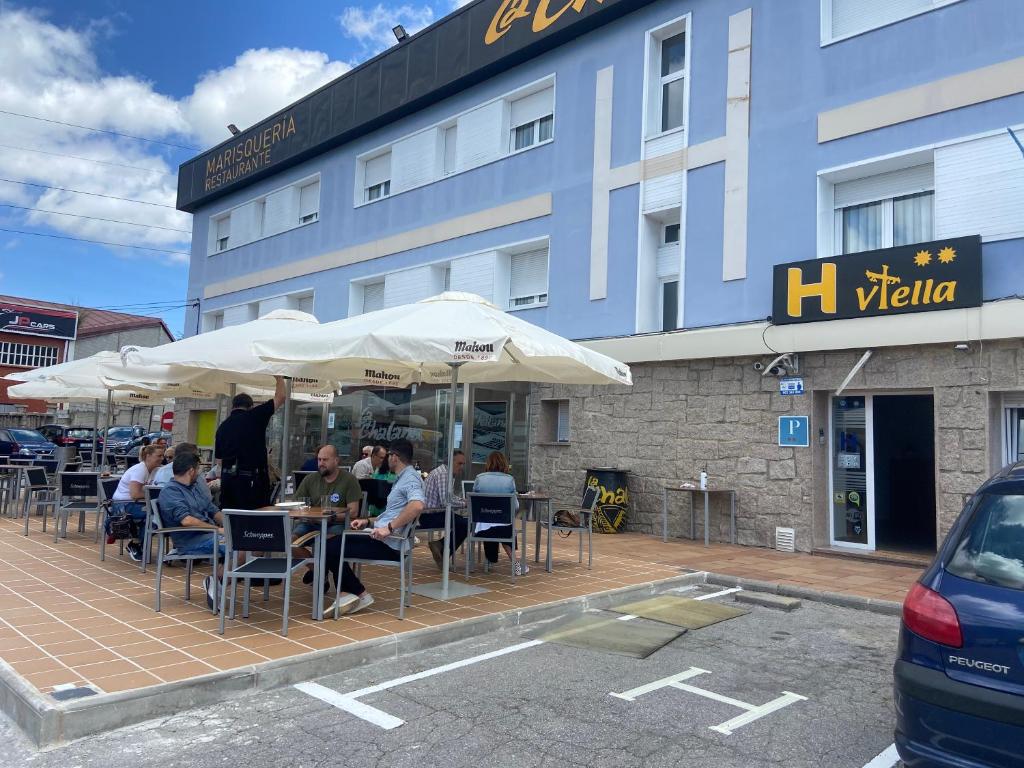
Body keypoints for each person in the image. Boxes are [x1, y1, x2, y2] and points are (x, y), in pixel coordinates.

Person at [325, 438, 424, 616]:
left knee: (327, 546)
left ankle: (359, 593)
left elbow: (417, 505)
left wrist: (389, 528)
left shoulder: (410, 478)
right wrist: (368, 521)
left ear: (395, 457)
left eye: (388, 456)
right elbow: (392, 513)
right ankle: (347, 593)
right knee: (331, 544)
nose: (386, 459)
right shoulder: (402, 478)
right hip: (382, 538)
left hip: (389, 544)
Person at [158, 452, 237, 609]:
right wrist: (219, 530)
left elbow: (213, 510)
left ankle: (217, 581)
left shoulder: (193, 488)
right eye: (199, 469)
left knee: (247, 541)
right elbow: (186, 521)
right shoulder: (171, 491)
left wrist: (230, 525)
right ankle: (217, 581)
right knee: (238, 546)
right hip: (190, 540)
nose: (200, 472)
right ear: (191, 470)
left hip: (207, 535)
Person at [293, 444, 363, 584]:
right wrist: (308, 515)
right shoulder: (310, 479)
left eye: (325, 460)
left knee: (327, 543)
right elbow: (297, 505)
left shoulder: (349, 480)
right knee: (291, 542)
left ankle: (322, 573)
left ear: (336, 461)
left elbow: (354, 511)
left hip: (336, 524)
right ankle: (318, 570)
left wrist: (333, 517)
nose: (321, 463)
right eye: (319, 460)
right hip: (310, 523)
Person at [215, 377, 286, 509]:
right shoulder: (255, 415)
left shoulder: (222, 427)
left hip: (228, 482)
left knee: (231, 521)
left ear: (233, 407)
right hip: (252, 483)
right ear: (251, 406)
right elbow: (281, 396)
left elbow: (219, 460)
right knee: (255, 522)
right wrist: (279, 378)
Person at [472, 451, 527, 575]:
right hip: (503, 524)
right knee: (505, 523)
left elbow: (474, 502)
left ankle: (490, 560)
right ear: (504, 463)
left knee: (489, 521)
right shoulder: (509, 480)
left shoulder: (480, 478)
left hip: (482, 525)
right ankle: (516, 564)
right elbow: (516, 506)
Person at [110, 444, 164, 561]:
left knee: (157, 516)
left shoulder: (155, 470)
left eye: (162, 456)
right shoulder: (140, 470)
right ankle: (136, 545)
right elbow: (135, 494)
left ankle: (137, 543)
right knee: (154, 516)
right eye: (158, 456)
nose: (161, 458)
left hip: (136, 504)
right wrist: (155, 496)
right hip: (122, 505)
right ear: (148, 456)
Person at [422, 450, 469, 569]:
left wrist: (463, 501)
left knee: (463, 522)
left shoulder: (444, 472)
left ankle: (440, 546)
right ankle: (441, 549)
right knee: (466, 524)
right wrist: (465, 504)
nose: (461, 467)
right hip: (429, 515)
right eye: (459, 463)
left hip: (432, 513)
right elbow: (446, 501)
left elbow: (449, 497)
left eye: (463, 464)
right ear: (451, 462)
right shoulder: (444, 474)